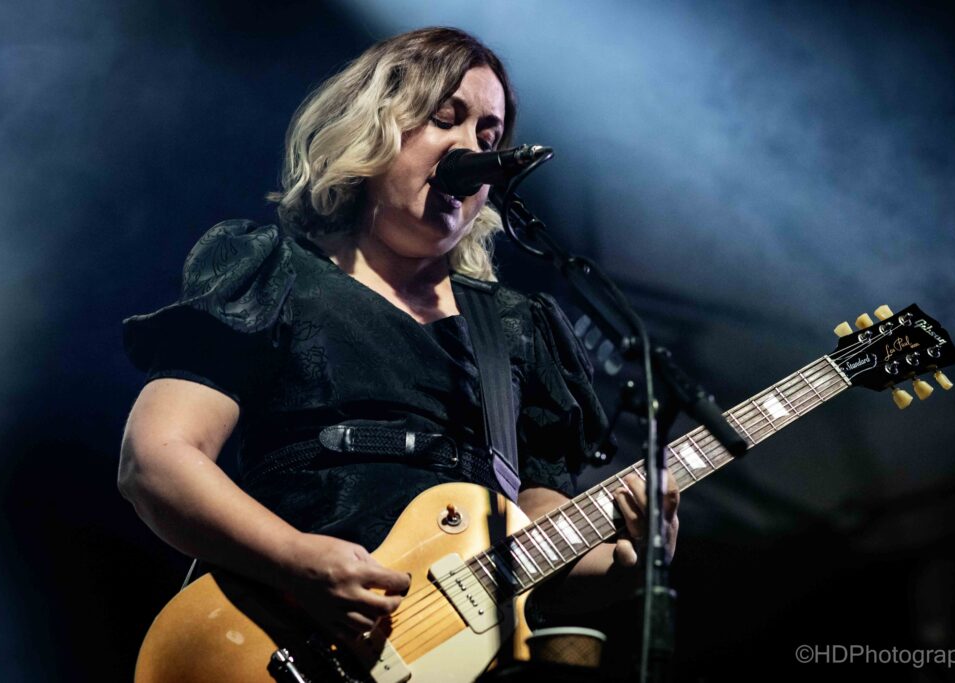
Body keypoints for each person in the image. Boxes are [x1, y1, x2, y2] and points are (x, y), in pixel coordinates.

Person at [118, 26, 679, 648]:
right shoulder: (274, 272)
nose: (471, 149)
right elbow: (156, 458)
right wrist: (296, 559)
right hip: (275, 642)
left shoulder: (519, 328)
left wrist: (628, 557)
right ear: (373, 126)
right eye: (445, 119)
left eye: (487, 138)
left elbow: (536, 543)